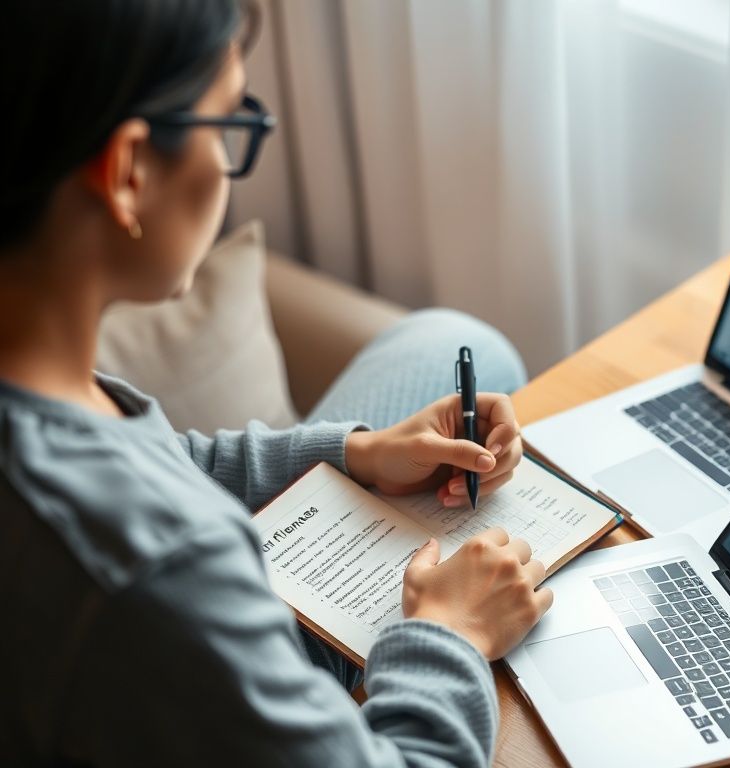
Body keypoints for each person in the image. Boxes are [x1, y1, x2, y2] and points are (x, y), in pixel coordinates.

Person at [0, 1, 553, 765]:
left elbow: (162, 459)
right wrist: (448, 634)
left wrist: (356, 454)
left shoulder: (36, 379)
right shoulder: (155, 569)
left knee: (464, 345)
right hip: (209, 674)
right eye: (229, 123)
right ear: (128, 172)